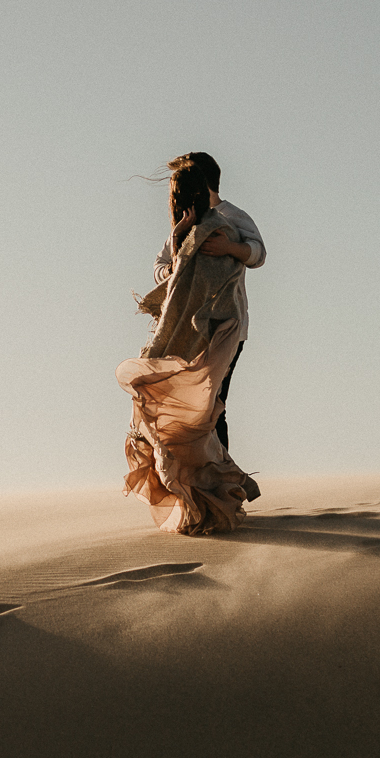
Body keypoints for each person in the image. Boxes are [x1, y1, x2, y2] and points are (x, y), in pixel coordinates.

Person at [116, 152, 265, 535]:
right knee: (186, 414)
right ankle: (210, 491)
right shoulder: (182, 227)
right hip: (185, 335)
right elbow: (160, 268)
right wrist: (183, 256)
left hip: (223, 332)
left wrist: (228, 250)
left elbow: (259, 253)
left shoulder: (231, 218)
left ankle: (224, 490)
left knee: (211, 411)